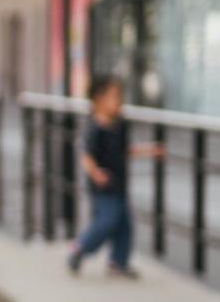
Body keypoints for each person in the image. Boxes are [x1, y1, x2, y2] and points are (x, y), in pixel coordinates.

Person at [66, 75, 162, 278]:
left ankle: (118, 262)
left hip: (119, 184)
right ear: (98, 100)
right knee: (107, 221)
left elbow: (126, 151)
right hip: (103, 187)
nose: (119, 101)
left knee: (124, 226)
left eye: (120, 96)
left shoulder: (120, 125)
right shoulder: (95, 128)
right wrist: (95, 173)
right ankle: (80, 247)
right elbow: (86, 155)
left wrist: (150, 150)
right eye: (114, 96)